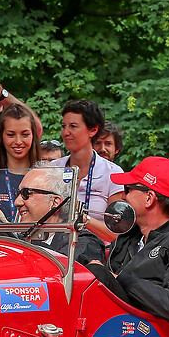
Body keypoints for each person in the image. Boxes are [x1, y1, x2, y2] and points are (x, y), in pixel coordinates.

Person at [85, 156, 169, 325]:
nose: (123, 197)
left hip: (151, 336)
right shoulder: (132, 233)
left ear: (149, 198)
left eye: (128, 190)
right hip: (108, 328)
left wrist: (117, 278)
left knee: (98, 273)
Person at [55, 99, 124, 241]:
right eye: (64, 126)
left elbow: (116, 234)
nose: (66, 132)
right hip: (55, 250)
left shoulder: (113, 173)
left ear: (93, 130)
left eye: (73, 126)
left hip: (96, 252)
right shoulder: (52, 169)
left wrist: (83, 219)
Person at [9, 165, 105, 266]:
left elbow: (59, 266)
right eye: (17, 193)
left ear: (55, 202)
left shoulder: (82, 241)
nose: (17, 202)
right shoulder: (21, 238)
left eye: (26, 193)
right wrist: (5, 230)